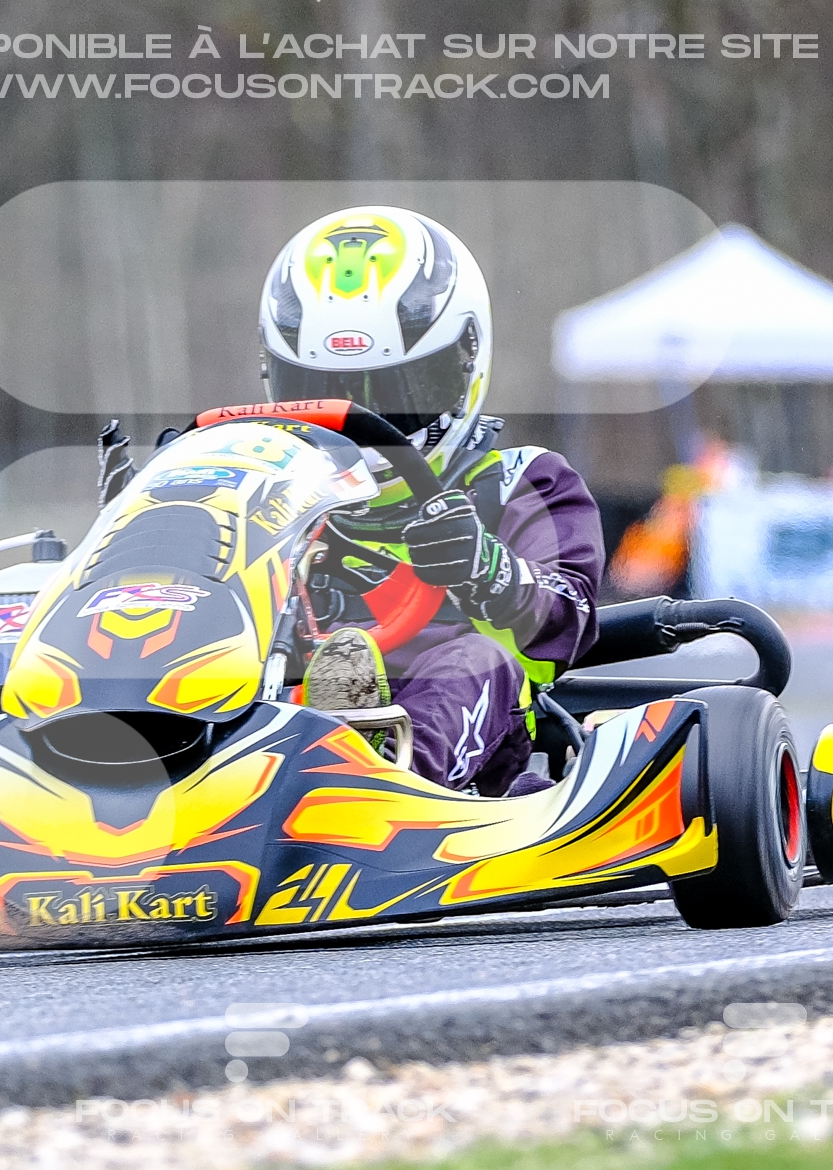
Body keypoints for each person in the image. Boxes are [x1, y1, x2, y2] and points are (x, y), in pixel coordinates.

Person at [257, 205, 603, 794]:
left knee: (476, 659)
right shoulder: (266, 487)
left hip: (469, 755)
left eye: (393, 392)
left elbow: (570, 620)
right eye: (323, 390)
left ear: (463, 362)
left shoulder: (519, 482)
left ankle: (377, 776)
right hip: (277, 709)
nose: (360, 422)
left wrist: (487, 569)